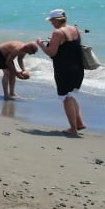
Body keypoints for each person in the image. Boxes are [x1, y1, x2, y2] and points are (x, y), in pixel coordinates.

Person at [37, 9, 87, 137]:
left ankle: (73, 129)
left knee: (65, 97)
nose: (51, 23)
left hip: (64, 70)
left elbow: (51, 53)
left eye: (52, 20)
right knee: (71, 95)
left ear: (57, 20)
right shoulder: (75, 29)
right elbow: (69, 46)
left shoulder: (58, 32)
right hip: (78, 68)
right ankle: (80, 123)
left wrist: (41, 44)